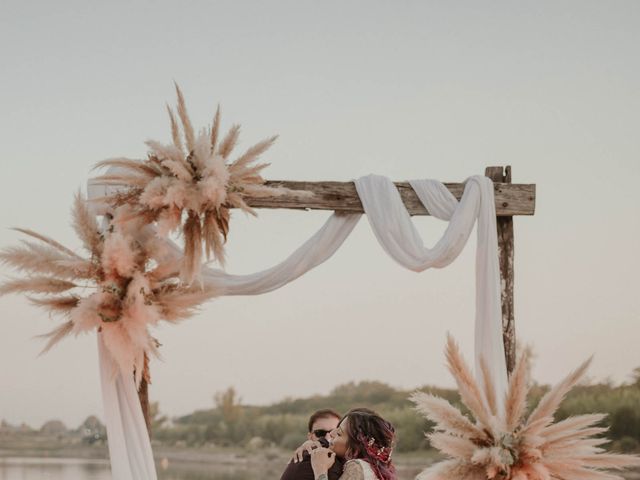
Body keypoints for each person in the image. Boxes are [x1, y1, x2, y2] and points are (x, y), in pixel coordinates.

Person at [307, 408, 397, 480]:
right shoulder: (375, 468)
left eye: (339, 433)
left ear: (355, 446)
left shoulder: (357, 467)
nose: (331, 434)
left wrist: (320, 470)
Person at [280, 409, 344, 480]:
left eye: (334, 432)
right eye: (320, 433)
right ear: (310, 437)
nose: (328, 437)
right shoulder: (303, 462)